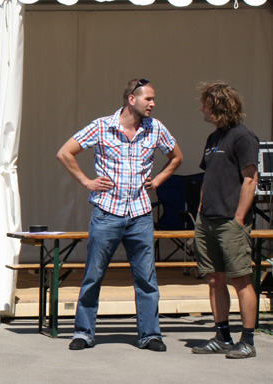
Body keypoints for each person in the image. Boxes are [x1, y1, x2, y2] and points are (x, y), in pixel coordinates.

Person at [57, 78, 183, 352]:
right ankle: (84, 332)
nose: (153, 103)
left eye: (153, 99)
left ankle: (150, 334)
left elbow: (176, 157)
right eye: (148, 98)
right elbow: (65, 152)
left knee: (146, 278)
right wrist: (86, 181)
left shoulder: (155, 129)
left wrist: (159, 179)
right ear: (131, 99)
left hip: (140, 214)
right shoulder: (102, 126)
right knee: (94, 274)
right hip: (107, 213)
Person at [191, 83, 259, 359]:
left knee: (240, 279)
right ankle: (222, 335)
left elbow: (250, 178)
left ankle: (248, 340)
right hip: (207, 219)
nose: (201, 109)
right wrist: (200, 210)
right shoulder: (213, 138)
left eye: (205, 104)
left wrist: (239, 218)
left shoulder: (243, 137)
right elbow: (208, 177)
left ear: (218, 105)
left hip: (230, 221)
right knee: (214, 280)